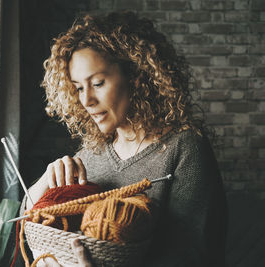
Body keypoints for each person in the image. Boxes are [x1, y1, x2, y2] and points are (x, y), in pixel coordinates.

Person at [24, 11, 227, 267]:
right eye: (77, 87)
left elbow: (194, 255)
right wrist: (46, 180)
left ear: (136, 77)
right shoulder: (91, 154)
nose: (86, 101)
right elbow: (29, 219)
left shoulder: (184, 149)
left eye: (97, 83)